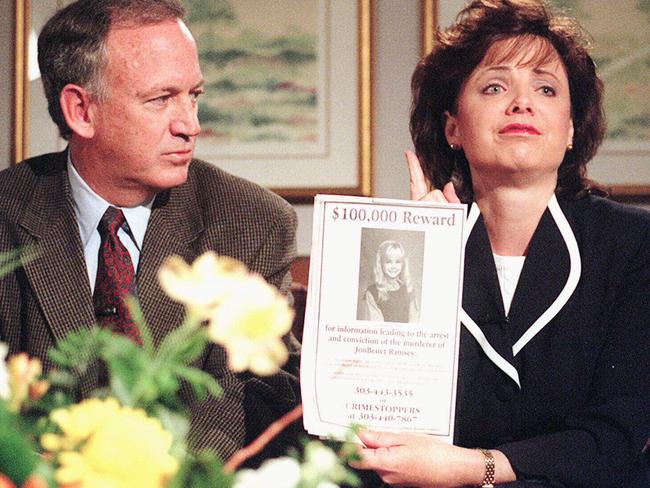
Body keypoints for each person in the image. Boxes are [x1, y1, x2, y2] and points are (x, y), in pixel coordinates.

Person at [353, 0, 650, 486]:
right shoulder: (407, 248)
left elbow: (616, 439)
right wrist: (421, 247)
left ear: (572, 128)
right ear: (453, 127)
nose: (522, 103)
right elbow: (371, 425)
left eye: (546, 88)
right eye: (495, 86)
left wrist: (471, 467)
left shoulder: (634, 245)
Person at [0, 0, 301, 465]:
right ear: (81, 110)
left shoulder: (253, 222)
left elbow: (237, 404)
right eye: (161, 100)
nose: (190, 125)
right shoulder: (7, 211)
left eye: (193, 96)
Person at [360, 240, 419, 323]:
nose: (393, 266)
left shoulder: (408, 289)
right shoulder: (372, 293)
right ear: (380, 263)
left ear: (403, 264)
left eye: (398, 262)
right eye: (388, 262)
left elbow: (414, 320)